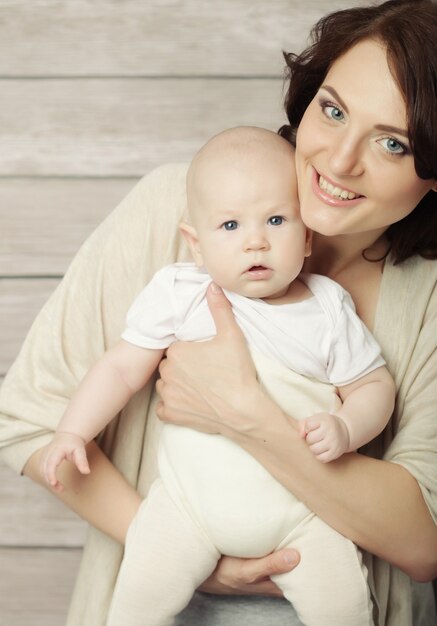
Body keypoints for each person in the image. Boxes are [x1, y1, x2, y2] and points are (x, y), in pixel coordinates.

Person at [0, 1, 435, 625]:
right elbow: (31, 420)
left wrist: (244, 413)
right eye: (333, 111)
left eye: (393, 143)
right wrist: (193, 555)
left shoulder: (419, 298)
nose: (339, 162)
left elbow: (424, 544)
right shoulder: (175, 213)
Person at [38, 126, 395, 626]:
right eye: (230, 226)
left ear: (307, 235)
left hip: (306, 518)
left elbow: (374, 387)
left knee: (345, 609)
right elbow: (121, 366)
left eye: (275, 219)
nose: (255, 241)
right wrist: (73, 429)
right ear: (196, 243)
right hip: (187, 509)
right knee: (137, 597)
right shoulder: (181, 292)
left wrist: (347, 426)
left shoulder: (326, 307)